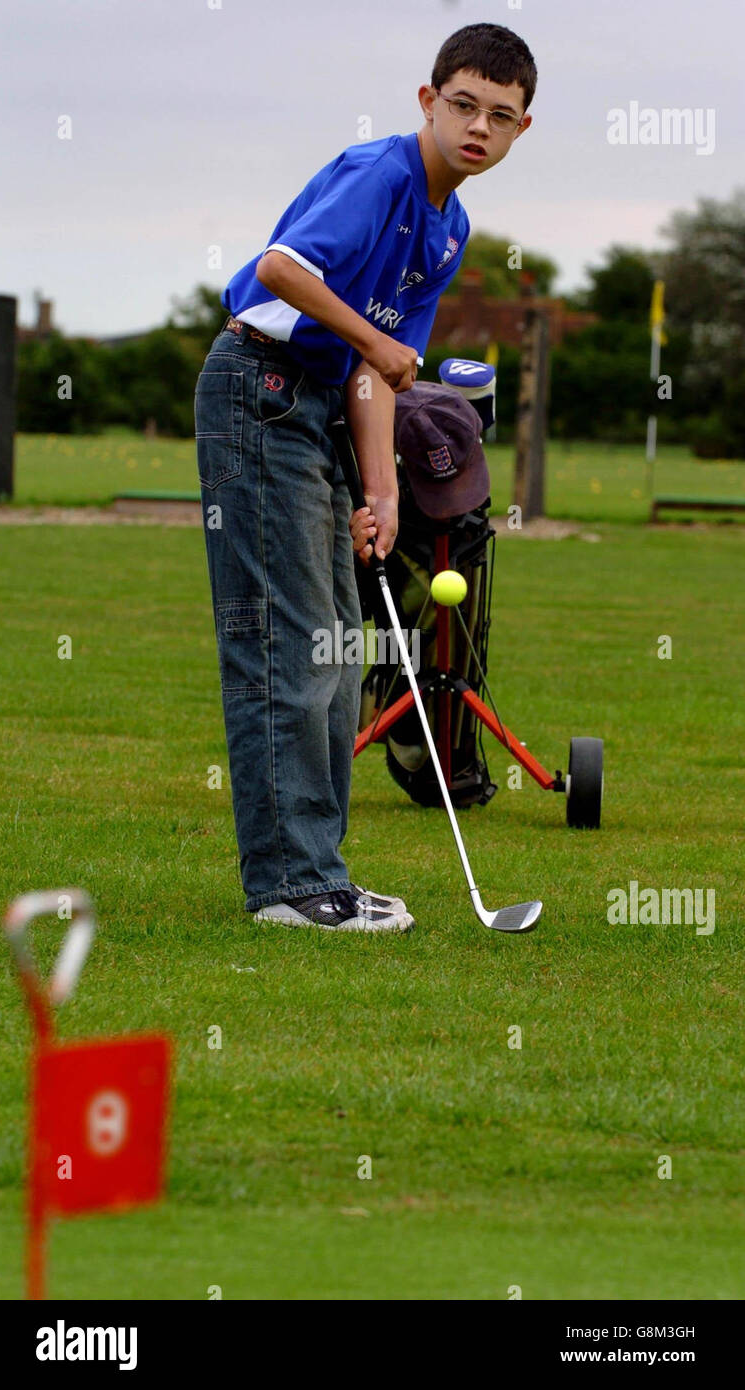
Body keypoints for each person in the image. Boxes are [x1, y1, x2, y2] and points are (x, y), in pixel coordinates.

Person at [194, 22, 536, 932]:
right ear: (428, 101)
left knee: (342, 650)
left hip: (317, 408)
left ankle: (321, 875)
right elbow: (281, 270)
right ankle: (291, 885)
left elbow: (374, 377)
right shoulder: (380, 173)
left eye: (499, 116)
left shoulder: (449, 227)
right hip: (258, 389)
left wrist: (381, 493)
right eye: (462, 105)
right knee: (291, 646)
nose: (478, 127)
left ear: (520, 129)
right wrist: (376, 342)